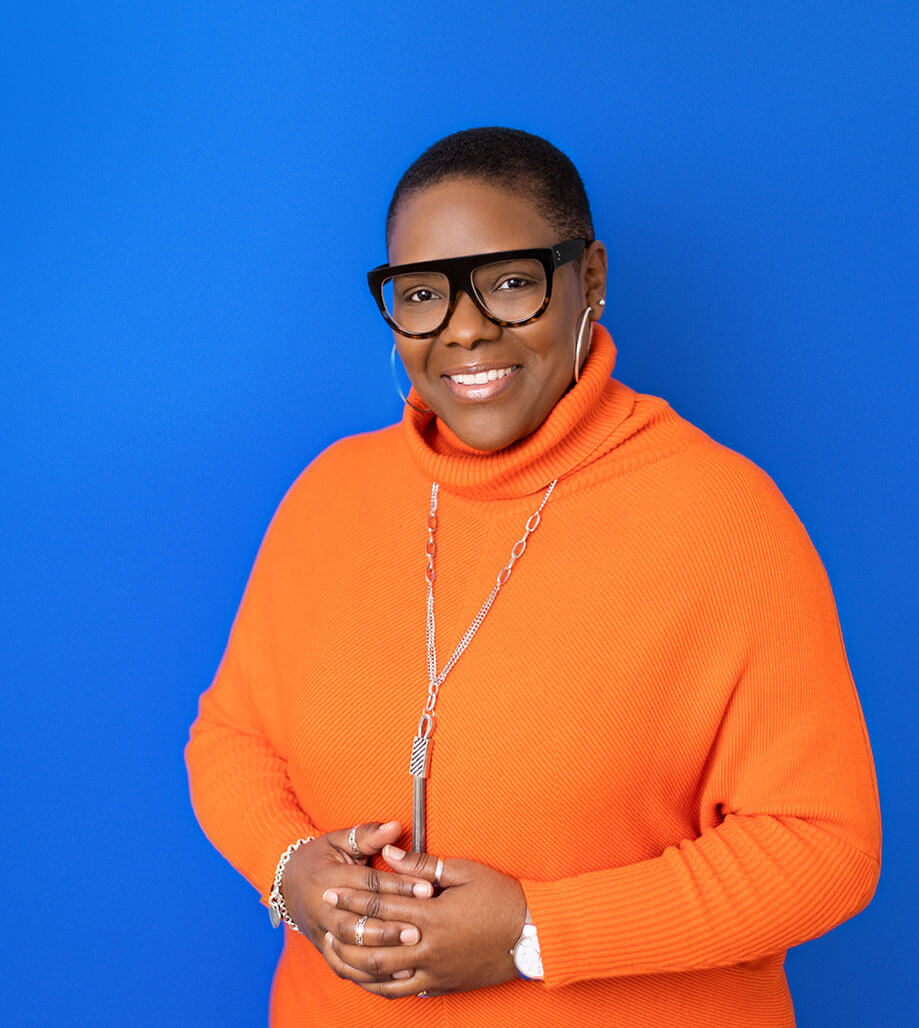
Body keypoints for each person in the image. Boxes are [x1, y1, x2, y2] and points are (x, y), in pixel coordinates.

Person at [185, 127, 880, 1026]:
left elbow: (822, 849)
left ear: (588, 278)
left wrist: (534, 932)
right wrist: (290, 870)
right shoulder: (329, 495)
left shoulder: (724, 518)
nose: (465, 329)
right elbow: (231, 736)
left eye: (511, 281)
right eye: (423, 295)